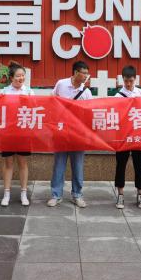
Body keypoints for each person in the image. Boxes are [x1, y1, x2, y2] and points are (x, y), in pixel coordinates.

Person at [47, 61, 92, 208]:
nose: (86, 76)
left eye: (87, 73)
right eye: (83, 73)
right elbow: (51, 101)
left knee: (78, 166)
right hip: (61, 132)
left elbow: (89, 113)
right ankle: (56, 195)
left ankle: (77, 195)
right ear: (76, 72)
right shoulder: (61, 84)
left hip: (78, 134)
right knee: (59, 164)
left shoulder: (86, 92)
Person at [0, 62, 34, 207]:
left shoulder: (29, 91)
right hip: (7, 131)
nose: (21, 78)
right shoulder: (5, 91)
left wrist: (29, 102)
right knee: (8, 163)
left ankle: (23, 193)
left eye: (23, 76)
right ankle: (6, 193)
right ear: (11, 77)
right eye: (18, 76)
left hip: (23, 131)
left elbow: (35, 110)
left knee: (22, 162)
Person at [113, 65, 141, 209]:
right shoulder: (117, 96)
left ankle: (140, 194)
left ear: (135, 79)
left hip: (138, 135)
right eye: (126, 81)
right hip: (123, 136)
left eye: (131, 81)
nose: (128, 84)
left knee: (139, 165)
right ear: (122, 79)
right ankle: (120, 195)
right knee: (121, 165)